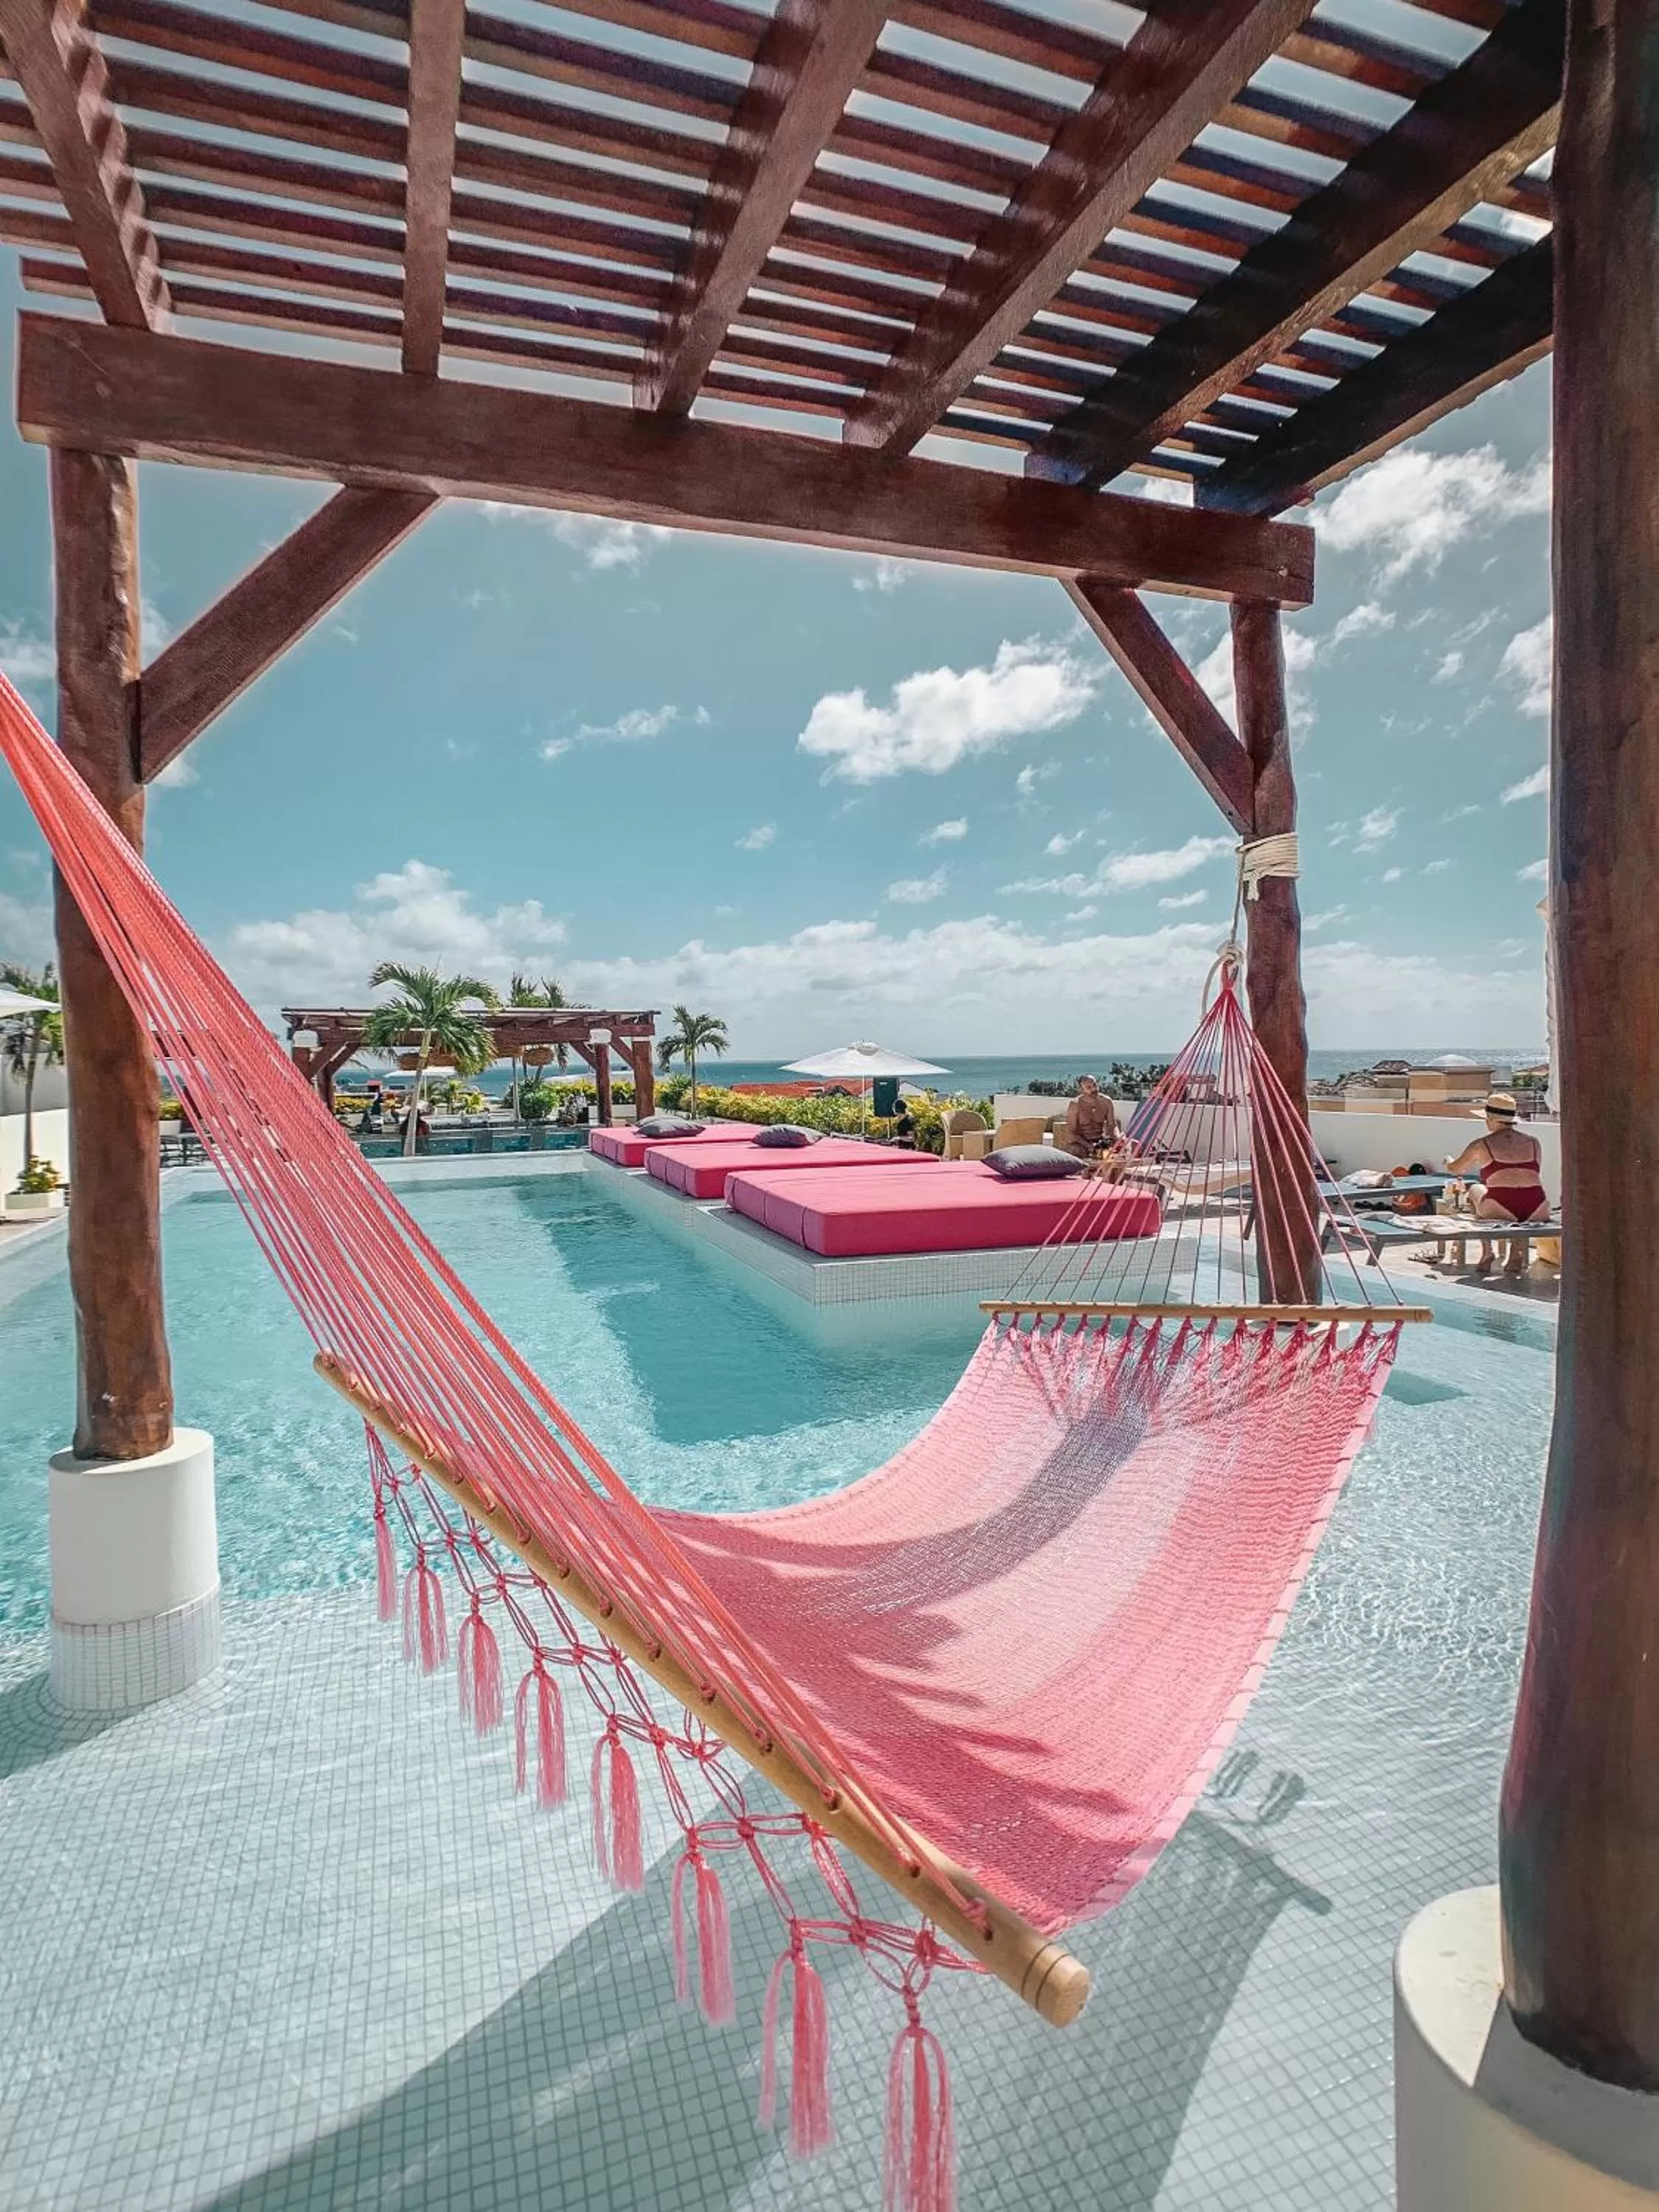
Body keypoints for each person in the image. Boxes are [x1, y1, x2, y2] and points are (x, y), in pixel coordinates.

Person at [1444, 1093, 1548, 1276]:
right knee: (1518, 1201)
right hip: (1537, 1206)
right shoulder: (1533, 1142)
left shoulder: (1481, 1144)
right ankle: (1516, 1250)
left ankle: (1487, 1252)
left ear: (1491, 1119)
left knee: (1475, 1189)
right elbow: (1534, 1173)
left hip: (1501, 1205)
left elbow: (1456, 1169)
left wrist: (1448, 1160)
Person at [1057, 1074, 1119, 1160]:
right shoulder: (1075, 1104)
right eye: (1089, 1087)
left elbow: (1112, 1125)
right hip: (1082, 1144)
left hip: (1100, 1141)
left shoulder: (1106, 1102)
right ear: (1081, 1090)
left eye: (1095, 1085)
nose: (1094, 1089)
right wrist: (1088, 1146)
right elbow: (1071, 1132)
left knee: (1132, 1145)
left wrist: (1117, 1138)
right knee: (1076, 1150)